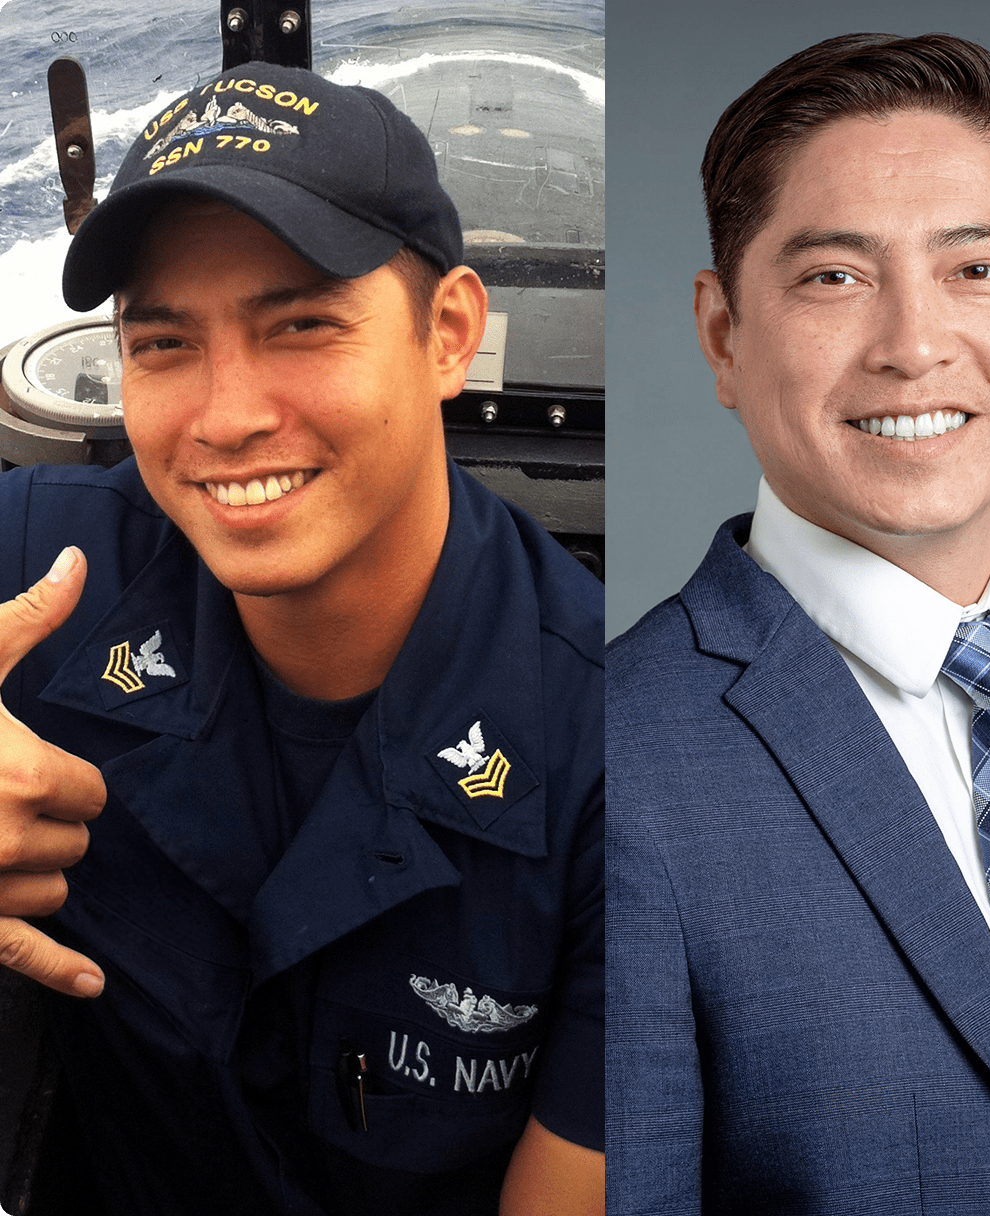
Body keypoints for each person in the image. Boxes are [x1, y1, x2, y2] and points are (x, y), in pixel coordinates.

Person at [606, 32, 990, 1216]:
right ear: (722, 334)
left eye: (974, 270)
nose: (911, 345)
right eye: (833, 277)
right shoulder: (620, 761)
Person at [0, 62, 603, 1215]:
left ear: (448, 335)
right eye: (164, 344)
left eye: (302, 325)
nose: (227, 417)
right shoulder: (53, 568)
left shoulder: (618, 757)